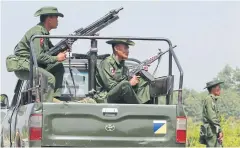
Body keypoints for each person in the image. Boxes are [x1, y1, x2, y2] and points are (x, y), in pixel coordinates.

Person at [6, 6, 67, 102]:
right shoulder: (38, 32)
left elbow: (51, 51)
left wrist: (64, 48)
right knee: (49, 78)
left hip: (32, 64)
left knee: (58, 67)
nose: (58, 20)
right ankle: (47, 106)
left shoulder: (44, 33)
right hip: (24, 66)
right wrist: (56, 58)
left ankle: (54, 97)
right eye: (56, 17)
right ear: (49, 19)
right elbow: (38, 57)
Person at [95, 39, 151, 104]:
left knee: (142, 81)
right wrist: (130, 83)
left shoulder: (123, 67)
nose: (128, 51)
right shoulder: (106, 63)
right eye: (125, 48)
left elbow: (123, 82)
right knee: (125, 85)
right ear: (116, 48)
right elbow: (110, 86)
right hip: (105, 98)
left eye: (128, 49)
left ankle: (144, 105)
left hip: (119, 96)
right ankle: (139, 108)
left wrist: (134, 78)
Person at [199, 80, 224, 147]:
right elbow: (212, 117)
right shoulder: (209, 100)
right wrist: (219, 130)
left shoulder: (212, 99)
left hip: (213, 130)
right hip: (212, 130)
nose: (220, 89)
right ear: (213, 89)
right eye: (218, 87)